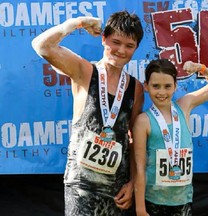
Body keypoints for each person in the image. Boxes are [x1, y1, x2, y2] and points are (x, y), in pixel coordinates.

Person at [32, 10, 144, 215]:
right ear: (103, 39)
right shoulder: (84, 71)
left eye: (129, 46)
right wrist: (78, 22)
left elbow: (133, 138)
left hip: (116, 189)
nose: (121, 50)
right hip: (80, 184)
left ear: (136, 48)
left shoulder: (136, 88)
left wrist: (133, 182)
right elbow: (42, 46)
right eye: (115, 42)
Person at [133, 59, 208, 216]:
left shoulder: (184, 106)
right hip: (153, 202)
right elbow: (139, 168)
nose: (162, 92)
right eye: (156, 86)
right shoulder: (143, 121)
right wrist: (140, 209)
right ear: (146, 86)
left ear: (175, 86)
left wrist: (201, 68)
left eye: (168, 86)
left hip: (183, 201)